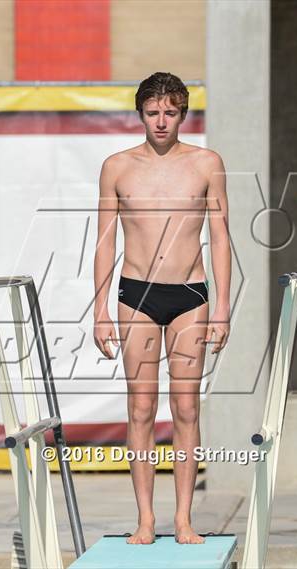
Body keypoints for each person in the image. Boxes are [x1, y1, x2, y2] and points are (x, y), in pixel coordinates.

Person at [93, 72, 231, 545]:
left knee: (187, 408)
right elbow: (104, 242)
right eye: (152, 112)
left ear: (183, 114)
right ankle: (146, 519)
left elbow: (221, 239)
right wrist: (100, 311)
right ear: (140, 114)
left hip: (191, 295)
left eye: (170, 112)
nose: (161, 121)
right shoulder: (117, 167)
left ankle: (184, 519)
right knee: (142, 408)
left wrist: (223, 308)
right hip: (136, 296)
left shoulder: (207, 163)